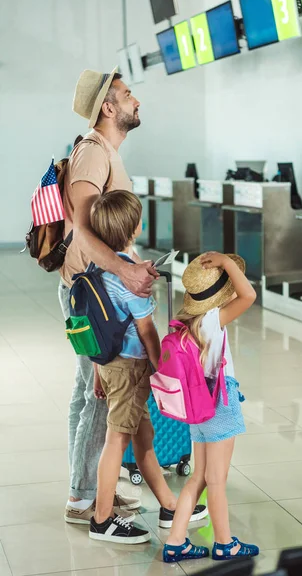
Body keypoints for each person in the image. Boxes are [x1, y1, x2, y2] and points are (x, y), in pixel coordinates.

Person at [59, 66, 158, 524]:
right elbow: (82, 227)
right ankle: (83, 498)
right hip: (96, 295)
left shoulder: (105, 153)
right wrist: (126, 271)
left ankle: (87, 487)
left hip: (98, 290)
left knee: (89, 390)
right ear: (108, 106)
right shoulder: (93, 153)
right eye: (127, 93)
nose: (135, 99)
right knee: (103, 390)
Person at [86, 189, 208, 544]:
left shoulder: (101, 267)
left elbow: (101, 325)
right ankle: (103, 519)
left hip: (110, 365)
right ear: (135, 229)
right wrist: (164, 369)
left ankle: (169, 505)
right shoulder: (133, 283)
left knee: (144, 440)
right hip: (129, 370)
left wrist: (97, 371)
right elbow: (148, 332)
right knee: (117, 440)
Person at [163, 252, 260, 563]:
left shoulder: (187, 322)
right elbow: (249, 295)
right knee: (217, 479)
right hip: (218, 402)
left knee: (199, 477)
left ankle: (176, 542)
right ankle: (224, 543)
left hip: (198, 403)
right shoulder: (213, 320)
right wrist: (228, 264)